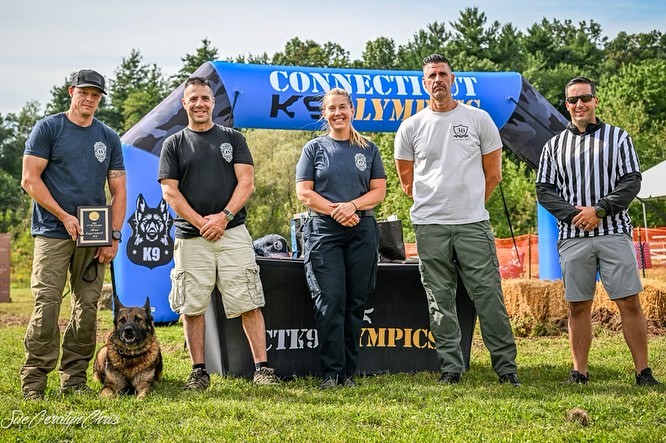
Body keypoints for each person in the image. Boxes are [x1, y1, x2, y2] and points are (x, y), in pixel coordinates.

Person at [394, 54, 519, 386]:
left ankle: (506, 367)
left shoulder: (479, 119)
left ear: (453, 80)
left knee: (488, 295)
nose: (437, 79)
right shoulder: (410, 127)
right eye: (431, 75)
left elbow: (493, 175)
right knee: (439, 298)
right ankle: (451, 367)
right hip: (429, 225)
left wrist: (468, 203)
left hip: (472, 224)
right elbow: (407, 183)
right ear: (424, 83)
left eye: (443, 74)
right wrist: (437, 202)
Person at [536, 76, 660, 386]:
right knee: (578, 305)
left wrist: (600, 210)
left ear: (595, 101)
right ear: (566, 105)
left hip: (613, 232)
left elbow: (632, 181)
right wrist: (576, 216)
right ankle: (580, 373)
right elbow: (544, 190)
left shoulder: (618, 138)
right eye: (573, 100)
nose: (579, 104)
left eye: (585, 98)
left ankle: (643, 373)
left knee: (629, 301)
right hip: (573, 237)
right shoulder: (553, 145)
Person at [158, 76, 279, 390]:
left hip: (233, 233)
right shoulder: (173, 144)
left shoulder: (233, 138)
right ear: (184, 104)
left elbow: (247, 182)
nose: (200, 104)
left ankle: (262, 369)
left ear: (213, 103)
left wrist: (223, 218)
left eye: (205, 98)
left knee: (249, 301)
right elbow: (170, 192)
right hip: (191, 237)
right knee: (191, 305)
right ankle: (199, 372)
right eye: (193, 99)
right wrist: (202, 222)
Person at [20, 69, 127, 400]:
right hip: (53, 232)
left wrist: (114, 235)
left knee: (88, 308)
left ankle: (75, 379)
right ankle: (34, 381)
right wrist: (64, 216)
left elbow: (119, 190)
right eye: (85, 92)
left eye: (96, 95)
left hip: (94, 235)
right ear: (71, 91)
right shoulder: (49, 128)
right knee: (46, 305)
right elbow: (29, 179)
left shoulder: (108, 137)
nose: (90, 99)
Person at [296, 88, 386, 389]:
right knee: (330, 300)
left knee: (355, 302)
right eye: (331, 108)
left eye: (343, 107)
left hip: (362, 229)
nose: (337, 113)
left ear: (352, 110)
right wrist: (337, 211)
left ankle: (348, 373)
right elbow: (304, 192)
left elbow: (379, 191)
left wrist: (353, 206)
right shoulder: (314, 149)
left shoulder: (369, 149)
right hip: (323, 232)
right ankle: (331, 373)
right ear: (324, 114)